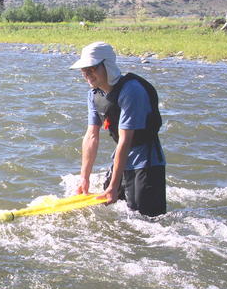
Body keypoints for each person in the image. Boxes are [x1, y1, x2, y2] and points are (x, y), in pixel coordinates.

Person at [70, 41, 167, 217]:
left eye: (91, 68)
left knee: (145, 218)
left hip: (147, 161)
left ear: (107, 65)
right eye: (83, 70)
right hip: (122, 158)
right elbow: (91, 136)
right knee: (111, 208)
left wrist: (114, 187)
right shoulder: (94, 95)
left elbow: (125, 139)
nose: (86, 74)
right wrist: (84, 178)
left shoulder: (132, 91)